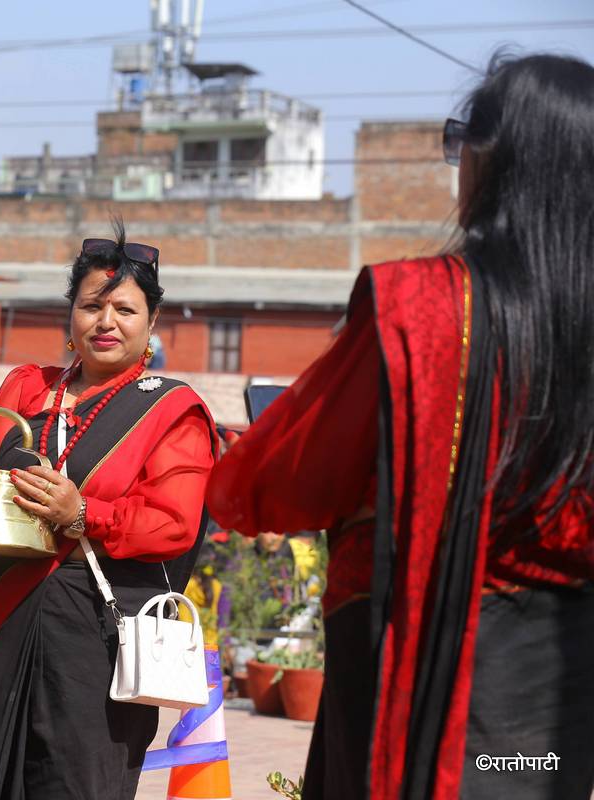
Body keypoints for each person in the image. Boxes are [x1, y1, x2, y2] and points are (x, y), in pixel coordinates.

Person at [206, 54, 594, 800]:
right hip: (564, 686)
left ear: (494, 159)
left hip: (425, 667)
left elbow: (273, 484)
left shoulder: (423, 310)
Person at [0, 223, 216, 799]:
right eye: (92, 305)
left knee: (74, 782)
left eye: (125, 308)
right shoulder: (26, 389)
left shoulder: (172, 410)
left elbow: (173, 524)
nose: (106, 321)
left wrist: (84, 513)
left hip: (93, 641)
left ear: (152, 323)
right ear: (71, 314)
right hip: (5, 619)